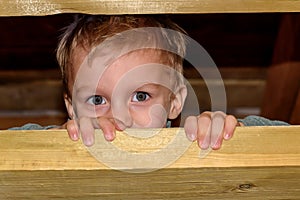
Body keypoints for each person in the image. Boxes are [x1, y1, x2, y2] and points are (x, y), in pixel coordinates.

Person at [10, 14, 289, 151]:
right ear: (71, 107)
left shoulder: (191, 146)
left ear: (175, 101)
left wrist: (234, 133)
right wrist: (56, 143)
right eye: (97, 100)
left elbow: (286, 140)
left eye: (140, 96)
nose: (119, 118)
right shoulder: (67, 142)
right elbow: (12, 147)